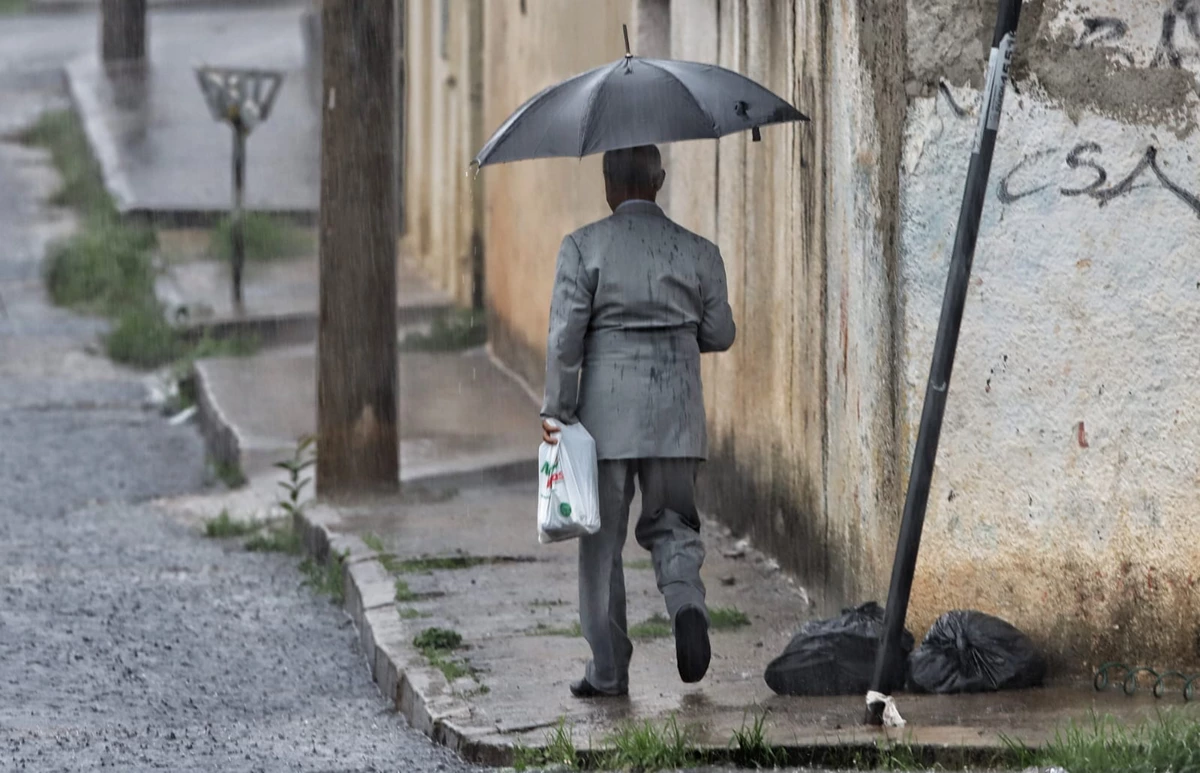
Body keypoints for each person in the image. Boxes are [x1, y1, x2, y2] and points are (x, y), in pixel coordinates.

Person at [539, 144, 736, 698]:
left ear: (607, 184)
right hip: (677, 413)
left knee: (600, 543)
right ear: (660, 180)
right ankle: (687, 605)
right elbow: (720, 333)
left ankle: (608, 669)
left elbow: (564, 341)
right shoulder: (700, 251)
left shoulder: (583, 247)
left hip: (604, 422)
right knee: (674, 522)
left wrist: (557, 412)